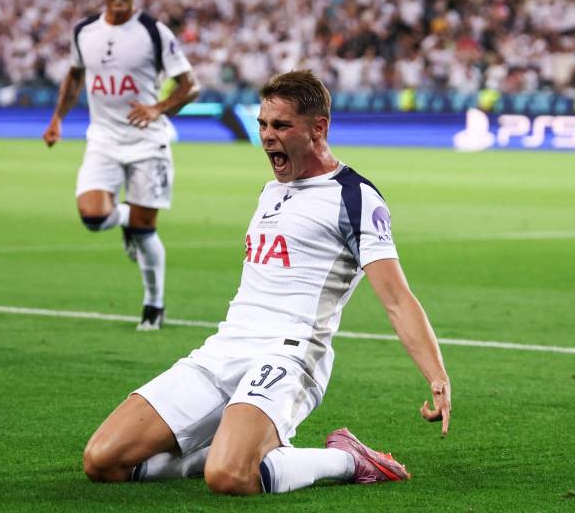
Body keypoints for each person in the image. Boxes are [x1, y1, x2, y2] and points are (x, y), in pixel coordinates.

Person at [82, 70, 451, 495]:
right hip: (224, 350)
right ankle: (229, 446)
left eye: (280, 125)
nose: (267, 136)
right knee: (102, 460)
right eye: (262, 124)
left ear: (318, 128)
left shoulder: (355, 197)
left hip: (291, 354)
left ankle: (348, 459)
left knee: (229, 477)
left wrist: (437, 375)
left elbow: (398, 299)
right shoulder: (271, 191)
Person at [43, 0, 199, 330]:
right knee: (93, 217)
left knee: (146, 232)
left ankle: (153, 305)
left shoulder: (153, 31)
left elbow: (190, 86)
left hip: (147, 142)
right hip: (103, 139)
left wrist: (157, 108)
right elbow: (75, 76)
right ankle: (126, 217)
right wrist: (57, 119)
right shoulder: (84, 32)